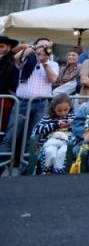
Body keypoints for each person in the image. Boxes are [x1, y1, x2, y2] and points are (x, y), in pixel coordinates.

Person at [0, 38, 58, 169]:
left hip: (41, 105)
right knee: (10, 136)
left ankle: (26, 171)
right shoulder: (26, 59)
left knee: (33, 139)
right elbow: (16, 58)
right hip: (21, 103)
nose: (43, 47)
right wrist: (31, 50)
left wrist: (45, 63)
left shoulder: (52, 63)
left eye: (46, 45)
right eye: (41, 45)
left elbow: (54, 80)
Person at [31, 94, 74, 174]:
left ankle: (58, 172)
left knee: (64, 152)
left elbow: (79, 129)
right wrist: (55, 125)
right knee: (50, 152)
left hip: (66, 142)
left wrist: (72, 124)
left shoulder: (73, 117)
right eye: (59, 110)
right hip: (49, 142)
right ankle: (47, 171)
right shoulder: (48, 117)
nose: (63, 113)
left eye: (66, 110)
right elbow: (36, 130)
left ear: (70, 108)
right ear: (54, 109)